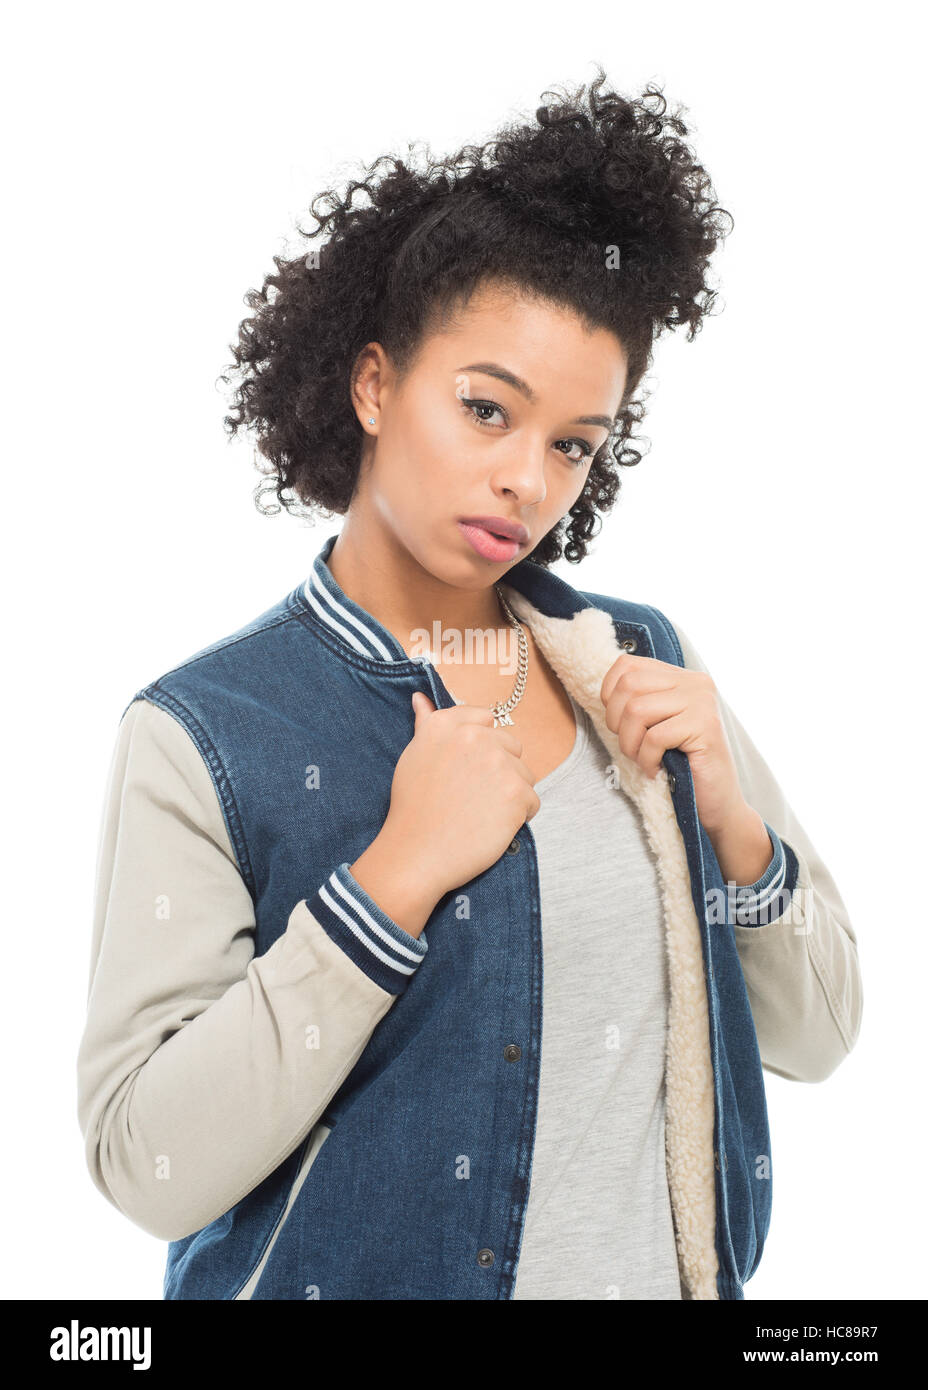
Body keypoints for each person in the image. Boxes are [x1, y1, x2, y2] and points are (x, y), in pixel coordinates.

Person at [76, 70, 862, 1301]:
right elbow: (144, 1163)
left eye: (571, 445)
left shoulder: (639, 661)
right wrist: (390, 881)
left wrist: (732, 827)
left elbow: (821, 1035)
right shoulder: (206, 732)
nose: (526, 482)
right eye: (486, 409)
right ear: (376, 384)